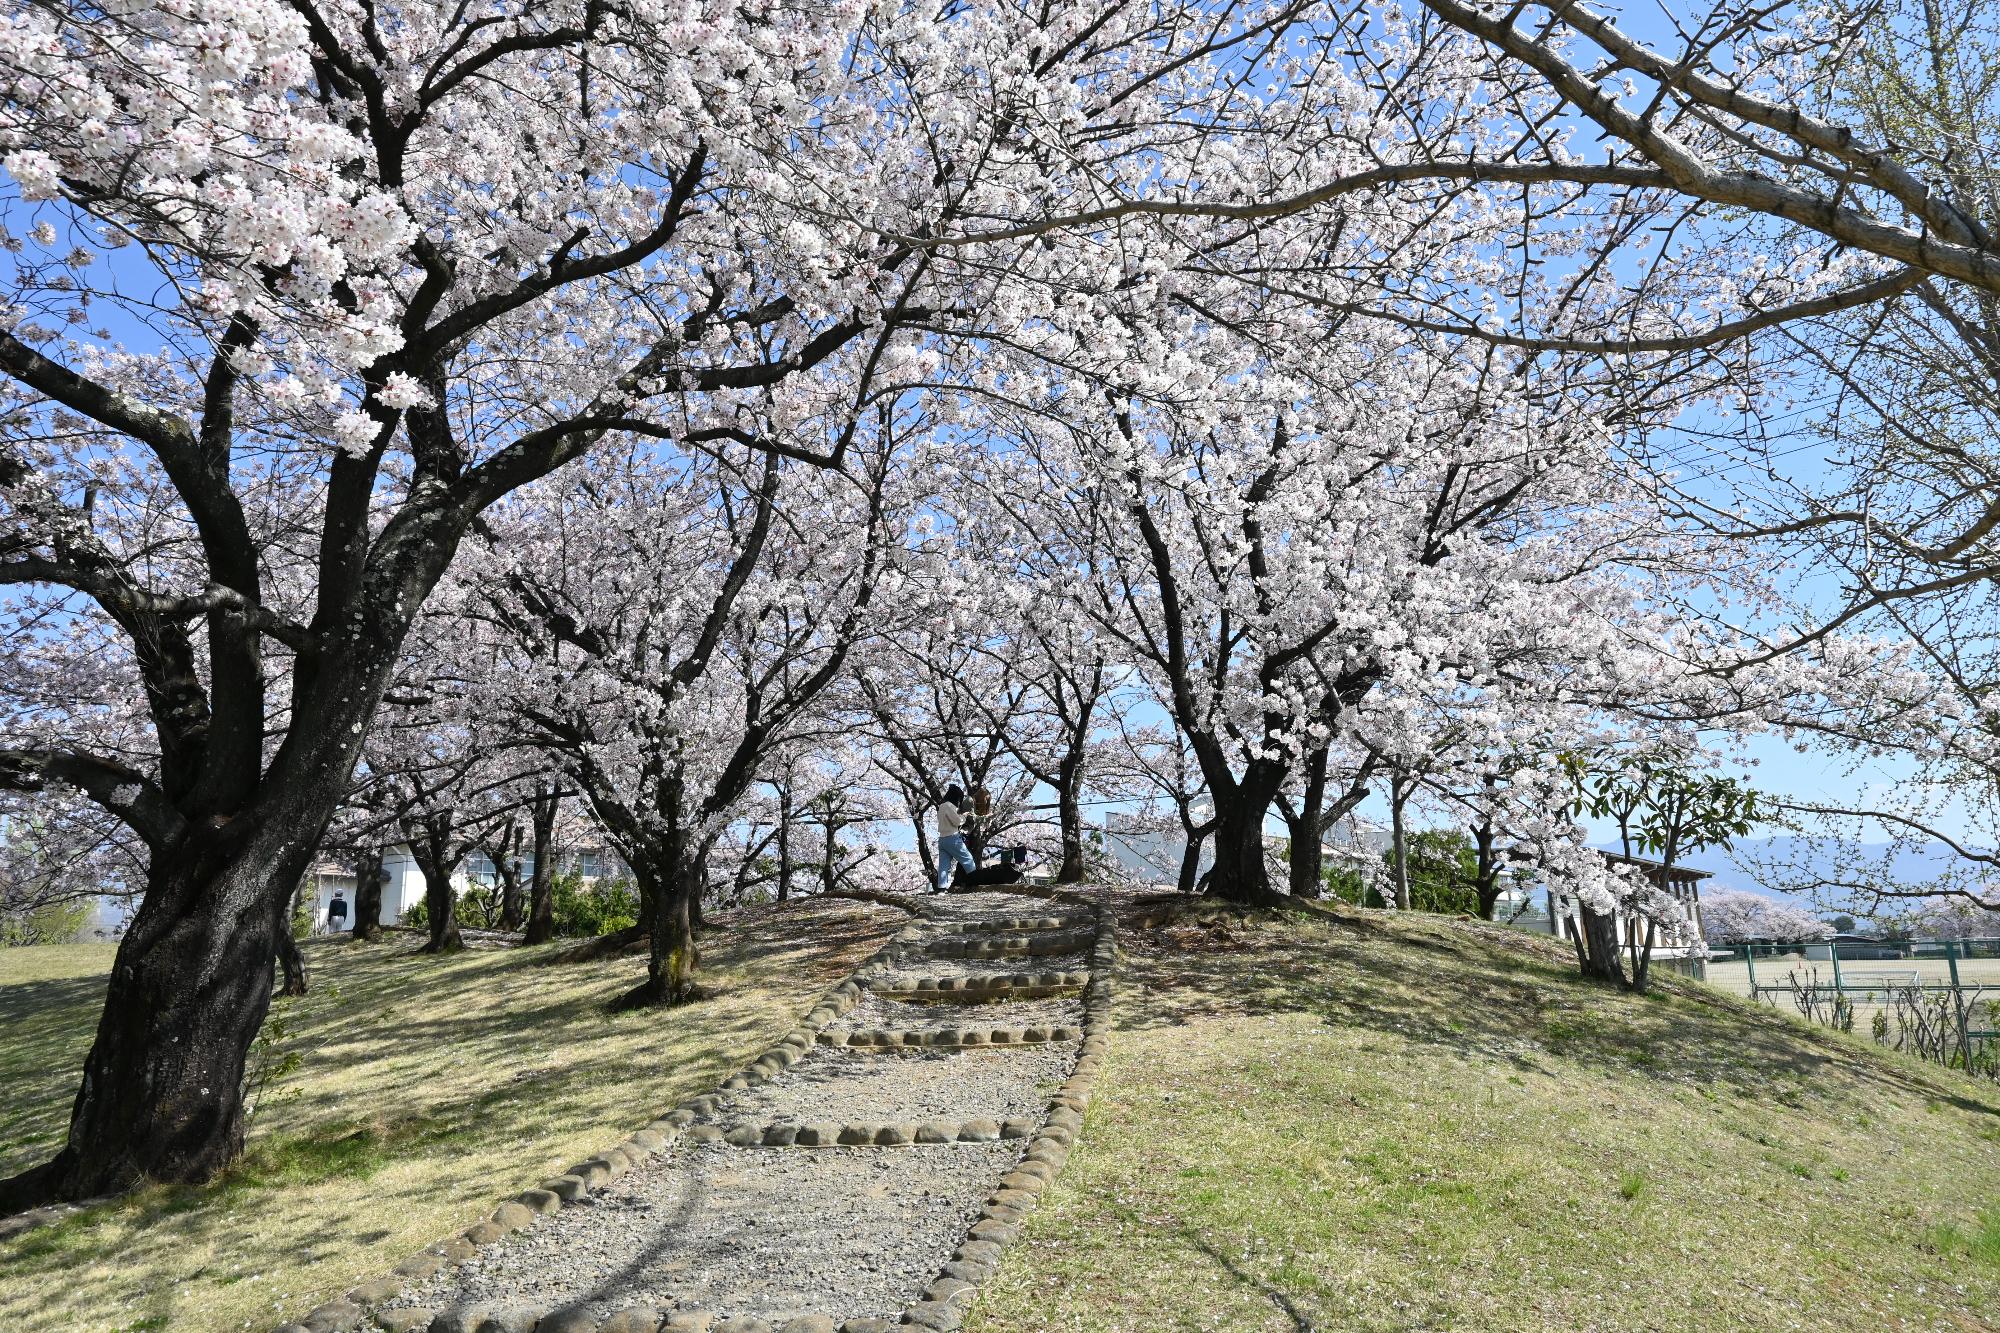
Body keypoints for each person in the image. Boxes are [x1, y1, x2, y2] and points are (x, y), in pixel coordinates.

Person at [933, 783, 978, 891]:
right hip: (952, 838)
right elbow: (957, 821)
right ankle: (974, 883)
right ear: (956, 797)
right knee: (968, 859)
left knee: (944, 865)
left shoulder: (941, 806)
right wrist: (964, 816)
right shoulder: (950, 806)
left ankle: (941, 889)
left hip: (942, 839)